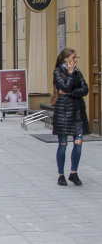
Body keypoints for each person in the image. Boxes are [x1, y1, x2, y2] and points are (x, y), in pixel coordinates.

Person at [52, 48, 89, 186]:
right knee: (63, 144)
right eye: (73, 58)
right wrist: (69, 73)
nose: (75, 60)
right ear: (65, 59)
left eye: (75, 57)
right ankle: (61, 174)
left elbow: (85, 89)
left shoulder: (78, 71)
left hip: (77, 111)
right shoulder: (58, 72)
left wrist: (70, 93)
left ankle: (74, 172)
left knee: (78, 143)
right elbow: (65, 87)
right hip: (64, 112)